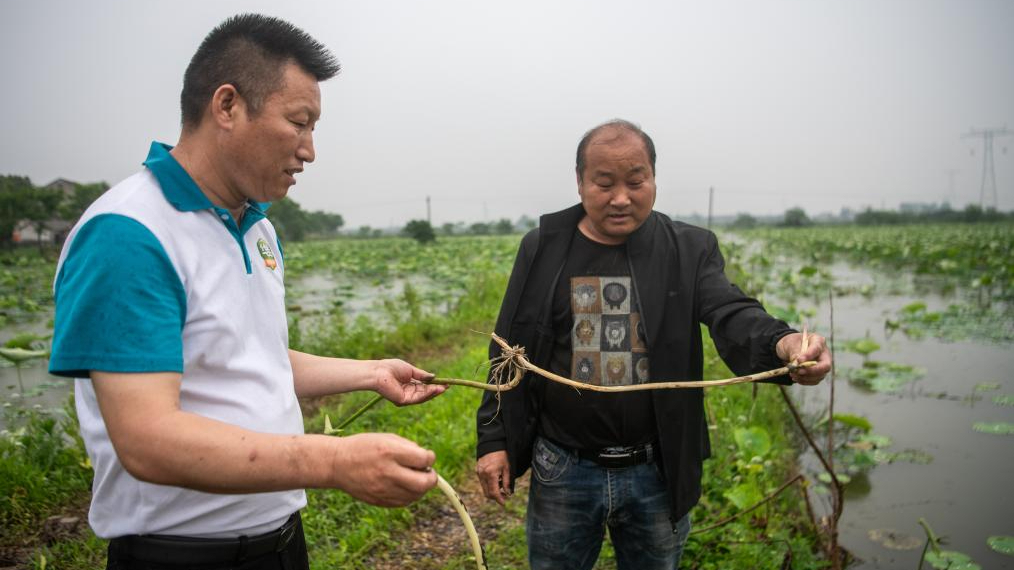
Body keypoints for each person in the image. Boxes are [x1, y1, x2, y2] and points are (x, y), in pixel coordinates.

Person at [48, 14, 445, 570]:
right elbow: (147, 438)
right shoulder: (129, 233)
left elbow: (245, 357)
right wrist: (333, 462)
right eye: (299, 122)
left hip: (281, 543)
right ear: (227, 105)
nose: (309, 150)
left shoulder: (255, 227)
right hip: (180, 556)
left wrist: (369, 373)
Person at [475, 119, 831, 570]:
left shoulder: (688, 250)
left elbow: (731, 311)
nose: (621, 197)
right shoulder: (544, 248)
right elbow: (507, 351)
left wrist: (783, 343)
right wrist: (493, 440)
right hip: (564, 466)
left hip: (656, 468)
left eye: (636, 181)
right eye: (604, 183)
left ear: (653, 179)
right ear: (581, 182)